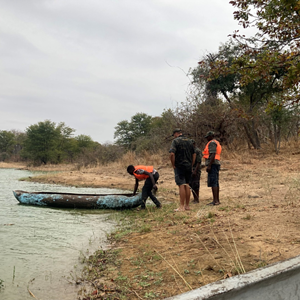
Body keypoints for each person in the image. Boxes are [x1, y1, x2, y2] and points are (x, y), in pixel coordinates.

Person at [169, 128, 196, 212]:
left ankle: (181, 206)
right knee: (187, 184)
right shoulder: (189, 141)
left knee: (181, 184)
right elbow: (194, 154)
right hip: (188, 165)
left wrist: (173, 164)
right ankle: (187, 205)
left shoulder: (175, 141)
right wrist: (191, 164)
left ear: (176, 133)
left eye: (174, 135)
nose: (174, 137)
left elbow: (172, 153)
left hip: (179, 166)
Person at [203, 131, 222, 205]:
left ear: (211, 136)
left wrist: (209, 165)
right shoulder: (216, 142)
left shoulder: (212, 143)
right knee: (216, 182)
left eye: (208, 137)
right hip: (216, 163)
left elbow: (213, 154)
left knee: (213, 182)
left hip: (213, 164)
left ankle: (215, 201)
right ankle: (216, 200)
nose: (207, 138)